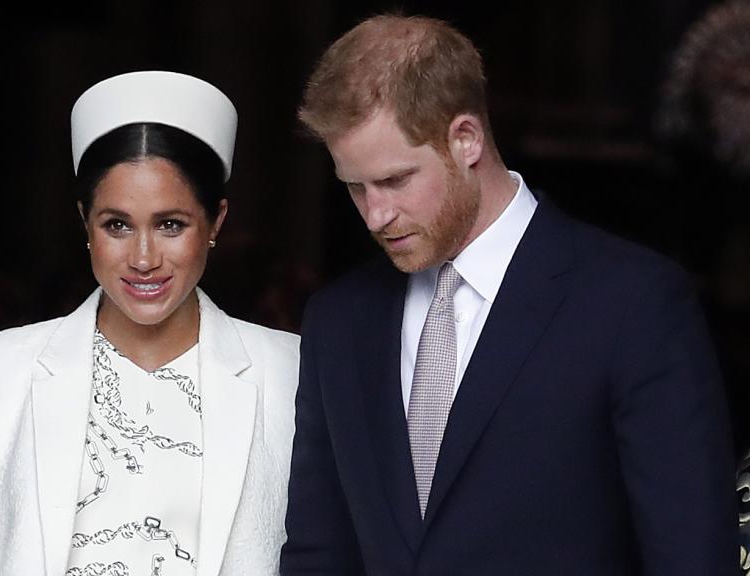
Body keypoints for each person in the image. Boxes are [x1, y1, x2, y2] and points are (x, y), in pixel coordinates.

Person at [280, 14, 738, 575]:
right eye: (355, 186)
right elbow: (318, 554)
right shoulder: (338, 320)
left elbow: (691, 556)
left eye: (396, 180)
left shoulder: (634, 304)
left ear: (465, 139)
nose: (376, 215)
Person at [0, 71, 300, 576]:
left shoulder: (290, 371)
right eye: (117, 225)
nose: (143, 257)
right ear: (84, 223)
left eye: (170, 225)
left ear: (216, 222)